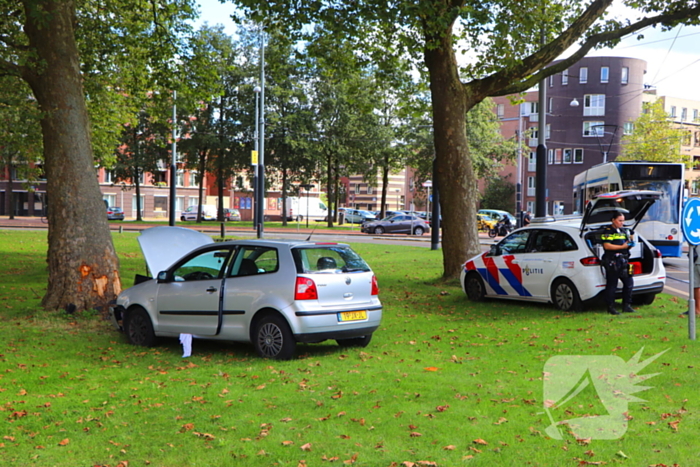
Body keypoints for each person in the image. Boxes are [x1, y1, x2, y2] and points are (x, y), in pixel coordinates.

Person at [601, 211, 635, 315]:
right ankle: (611, 307)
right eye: (620, 220)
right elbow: (607, 246)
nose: (622, 223)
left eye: (623, 221)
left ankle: (627, 306)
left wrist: (630, 243)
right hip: (612, 261)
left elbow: (628, 244)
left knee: (629, 283)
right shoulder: (608, 231)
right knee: (612, 285)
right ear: (613, 220)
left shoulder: (624, 231)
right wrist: (622, 247)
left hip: (624, 260)